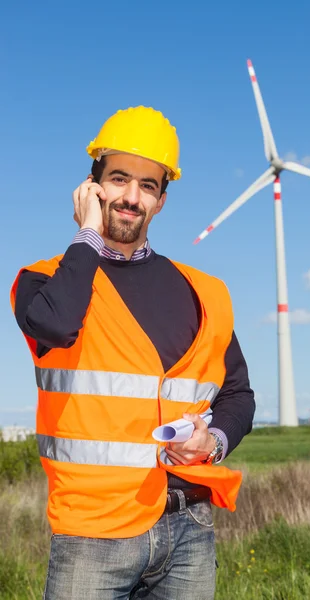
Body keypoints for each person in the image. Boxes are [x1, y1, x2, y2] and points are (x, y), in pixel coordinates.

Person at [11, 106, 255, 599]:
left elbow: (238, 395)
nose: (131, 197)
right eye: (119, 179)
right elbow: (56, 326)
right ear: (92, 186)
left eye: (148, 185)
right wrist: (88, 236)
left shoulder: (205, 293)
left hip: (189, 528)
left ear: (162, 200)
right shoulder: (43, 281)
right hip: (92, 535)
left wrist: (214, 443)